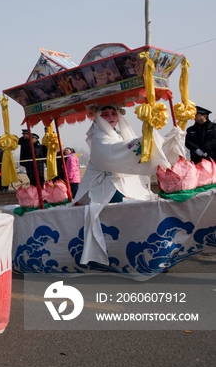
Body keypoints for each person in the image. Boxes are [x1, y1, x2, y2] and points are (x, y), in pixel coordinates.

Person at [72, 103, 181, 265]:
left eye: (113, 113)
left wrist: (171, 138)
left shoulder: (118, 134)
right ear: (98, 117)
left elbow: (131, 147)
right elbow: (113, 153)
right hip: (102, 188)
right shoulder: (98, 135)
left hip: (124, 183)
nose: (111, 117)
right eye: (106, 114)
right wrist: (144, 141)